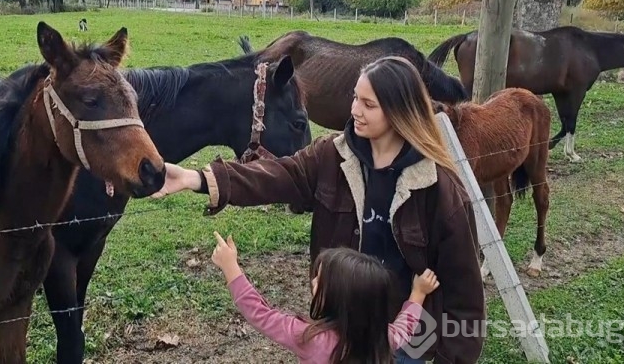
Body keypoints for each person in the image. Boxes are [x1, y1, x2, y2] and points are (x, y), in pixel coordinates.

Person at [151, 55, 486, 363]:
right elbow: (281, 175)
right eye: (355, 98)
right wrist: (197, 179)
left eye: (368, 104)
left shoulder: (439, 188)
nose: (354, 110)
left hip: (403, 340)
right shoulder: (331, 155)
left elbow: (465, 296)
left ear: (398, 111)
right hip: (342, 332)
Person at [211, 231, 439, 363]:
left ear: (339, 298)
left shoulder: (310, 337)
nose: (312, 283)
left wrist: (231, 267)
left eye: (319, 280)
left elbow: (260, 314)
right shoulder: (380, 337)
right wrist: (418, 293)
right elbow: (404, 328)